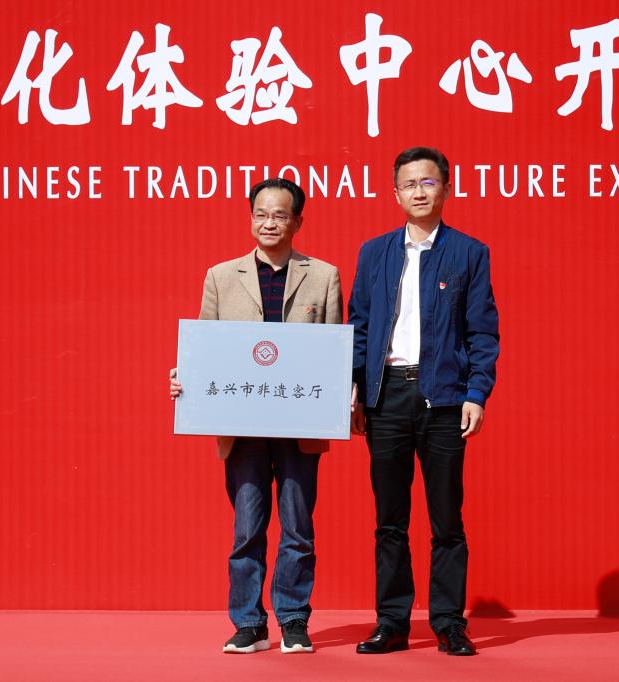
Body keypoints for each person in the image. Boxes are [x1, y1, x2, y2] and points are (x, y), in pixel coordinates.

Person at [169, 178, 343, 654]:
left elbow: (335, 351)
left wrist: (341, 394)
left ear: (297, 221)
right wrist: (186, 379)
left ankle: (293, 619)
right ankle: (248, 622)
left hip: (300, 423)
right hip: (241, 424)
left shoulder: (323, 276)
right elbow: (204, 348)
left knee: (298, 527)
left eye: (280, 215)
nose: (269, 223)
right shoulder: (221, 277)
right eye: (261, 214)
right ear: (250, 218)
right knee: (247, 528)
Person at [348, 147, 499, 656]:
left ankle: (449, 622)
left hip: (445, 398)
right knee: (389, 518)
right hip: (387, 395)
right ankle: (391, 622)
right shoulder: (374, 253)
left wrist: (476, 393)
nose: (418, 191)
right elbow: (359, 325)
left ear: (445, 189)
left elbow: (482, 331)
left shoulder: (469, 252)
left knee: (446, 519)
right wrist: (355, 388)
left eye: (428, 182)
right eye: (409, 184)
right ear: (396, 194)